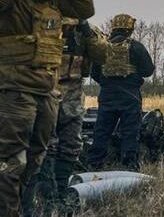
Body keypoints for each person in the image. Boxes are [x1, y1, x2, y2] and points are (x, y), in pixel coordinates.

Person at [0, 0, 94, 217]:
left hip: (47, 93)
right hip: (14, 92)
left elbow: (85, 8)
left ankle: (25, 210)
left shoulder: (54, 3)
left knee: (35, 160)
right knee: (9, 161)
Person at [21, 18, 107, 216]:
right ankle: (46, 196)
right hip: (44, 90)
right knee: (45, 144)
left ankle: (60, 193)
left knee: (70, 145)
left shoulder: (86, 32)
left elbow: (103, 55)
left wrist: (86, 31)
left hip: (73, 93)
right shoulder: (42, 23)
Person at [87, 14, 154, 171]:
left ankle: (94, 164)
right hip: (130, 96)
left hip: (107, 96)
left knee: (102, 131)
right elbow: (148, 71)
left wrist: (107, 83)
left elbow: (94, 73)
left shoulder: (103, 47)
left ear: (113, 27)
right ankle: (129, 165)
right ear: (130, 29)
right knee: (130, 132)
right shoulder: (137, 47)